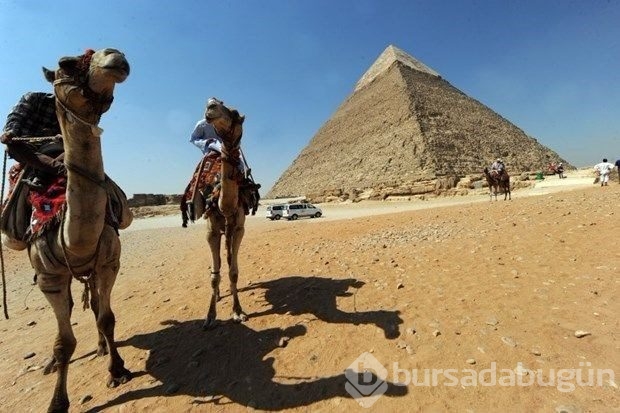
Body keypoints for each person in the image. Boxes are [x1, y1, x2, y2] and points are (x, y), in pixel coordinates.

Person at [1, 92, 65, 190]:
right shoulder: (33, 98)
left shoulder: (74, 112)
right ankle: (64, 170)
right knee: (12, 147)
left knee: (76, 150)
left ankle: (44, 174)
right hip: (27, 146)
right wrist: (11, 133)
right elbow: (16, 116)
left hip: (55, 148)